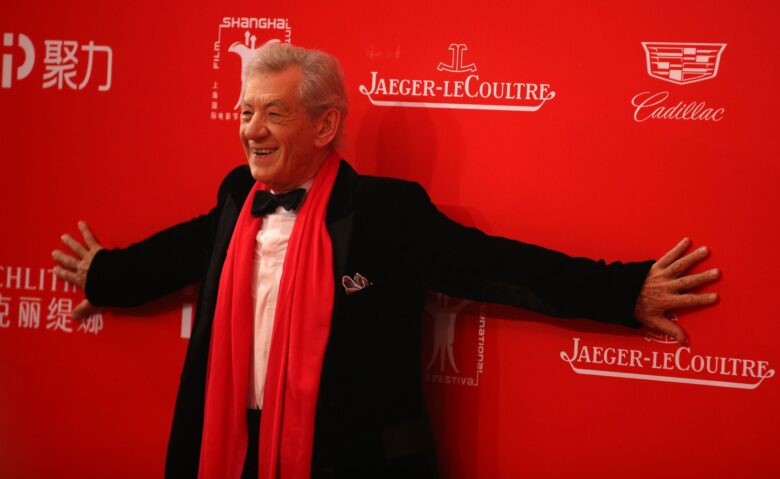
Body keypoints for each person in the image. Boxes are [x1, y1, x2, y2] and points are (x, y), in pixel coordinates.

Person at [51, 43, 719, 479]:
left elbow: (494, 265)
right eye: (246, 110)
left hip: (347, 457)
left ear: (324, 125)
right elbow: (179, 252)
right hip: (230, 449)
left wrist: (624, 290)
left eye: (273, 113)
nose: (251, 129)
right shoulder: (236, 198)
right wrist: (105, 275)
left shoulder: (385, 212)